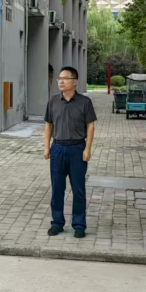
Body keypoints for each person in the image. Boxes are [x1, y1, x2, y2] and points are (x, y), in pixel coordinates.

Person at [44, 66, 97, 239]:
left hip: (77, 149)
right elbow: (48, 125)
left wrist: (88, 149)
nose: (61, 81)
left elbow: (90, 126)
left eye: (65, 78)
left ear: (74, 82)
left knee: (78, 189)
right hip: (58, 149)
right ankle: (57, 223)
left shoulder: (84, 102)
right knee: (57, 188)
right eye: (59, 78)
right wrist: (47, 147)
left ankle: (79, 225)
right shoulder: (53, 102)